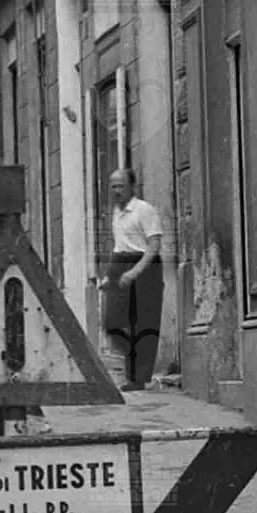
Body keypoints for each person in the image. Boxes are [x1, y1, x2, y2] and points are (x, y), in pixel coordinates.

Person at [102, 167, 165, 389]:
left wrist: (134, 272)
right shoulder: (116, 212)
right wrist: (109, 275)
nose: (116, 191)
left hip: (145, 266)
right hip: (121, 263)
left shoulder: (144, 210)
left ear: (132, 187)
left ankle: (137, 378)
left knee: (143, 323)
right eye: (113, 186)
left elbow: (154, 246)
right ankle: (133, 369)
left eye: (120, 186)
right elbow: (119, 246)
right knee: (112, 322)